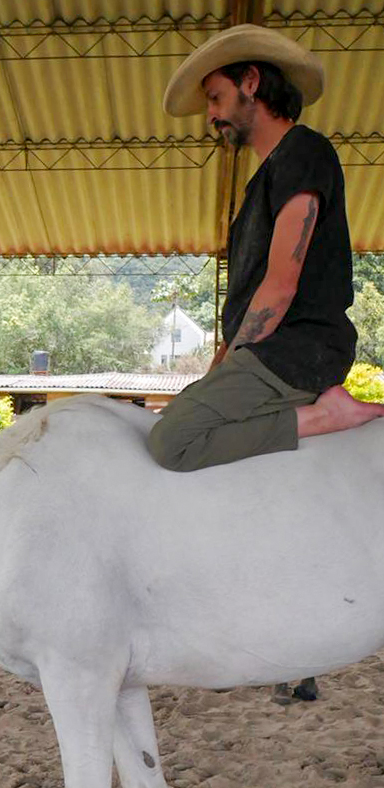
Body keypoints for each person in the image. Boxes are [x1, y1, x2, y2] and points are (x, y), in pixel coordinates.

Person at [149, 24, 384, 472]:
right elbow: (244, 307)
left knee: (172, 441)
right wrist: (213, 376)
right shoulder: (265, 178)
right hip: (267, 353)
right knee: (176, 414)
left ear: (251, 83)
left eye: (216, 97)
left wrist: (226, 371)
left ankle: (324, 416)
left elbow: (279, 286)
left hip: (298, 351)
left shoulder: (303, 152)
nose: (210, 115)